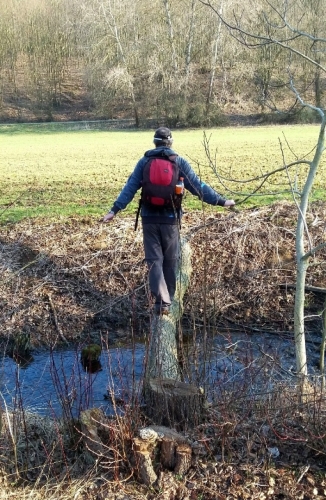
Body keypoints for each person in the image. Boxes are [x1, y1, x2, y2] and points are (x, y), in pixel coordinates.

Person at [103, 127, 235, 315]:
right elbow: (198, 187)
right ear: (171, 142)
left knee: (154, 260)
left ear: (154, 142)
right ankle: (170, 300)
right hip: (171, 218)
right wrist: (221, 201)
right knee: (170, 260)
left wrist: (114, 210)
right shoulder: (179, 162)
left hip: (149, 218)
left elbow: (130, 187)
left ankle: (161, 303)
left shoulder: (144, 162)